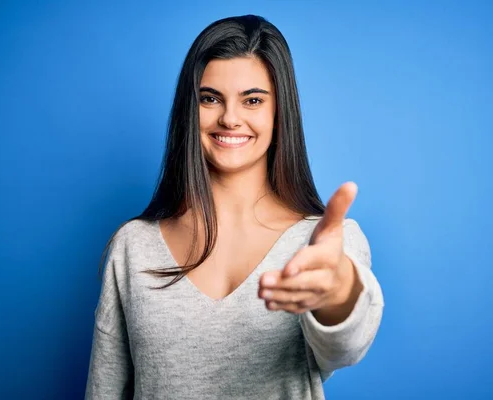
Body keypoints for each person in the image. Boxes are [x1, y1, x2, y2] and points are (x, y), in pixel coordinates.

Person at [85, 14, 384, 400]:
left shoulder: (324, 243)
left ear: (280, 112)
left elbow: (346, 346)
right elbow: (104, 390)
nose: (229, 118)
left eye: (253, 100)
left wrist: (340, 290)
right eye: (210, 98)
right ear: (188, 110)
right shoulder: (132, 247)